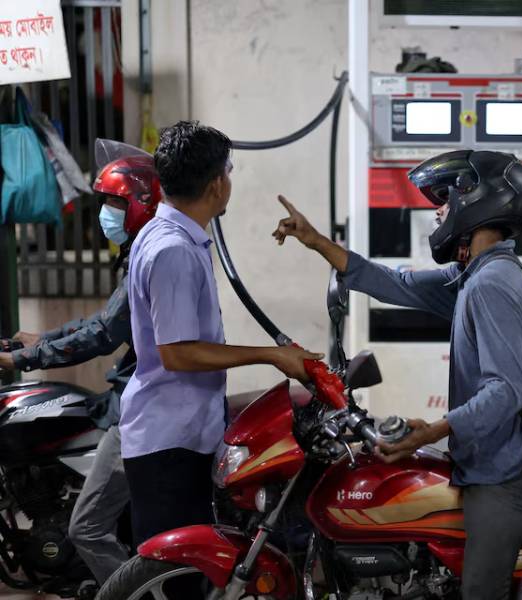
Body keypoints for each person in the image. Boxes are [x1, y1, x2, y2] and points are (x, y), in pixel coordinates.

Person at [273, 150, 522, 600]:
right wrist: (318, 242)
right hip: (485, 458)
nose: (438, 210)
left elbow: (506, 391)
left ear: (479, 202)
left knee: (482, 591)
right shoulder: (474, 276)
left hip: (505, 473)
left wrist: (432, 431)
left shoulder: (492, 283)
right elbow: (396, 284)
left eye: (445, 198)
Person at [121, 120, 322, 548]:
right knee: (177, 574)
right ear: (216, 185)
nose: (229, 181)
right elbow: (177, 353)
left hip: (181, 431)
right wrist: (272, 355)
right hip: (170, 440)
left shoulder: (172, 237)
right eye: (228, 172)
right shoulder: (172, 250)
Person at [0, 150, 160, 594]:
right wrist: (40, 340)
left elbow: (103, 335)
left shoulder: (150, 254)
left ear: (142, 203)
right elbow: (102, 321)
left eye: (115, 204)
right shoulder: (143, 251)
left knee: (86, 526)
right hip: (148, 402)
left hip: (142, 410)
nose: (107, 214)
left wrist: (24, 360)